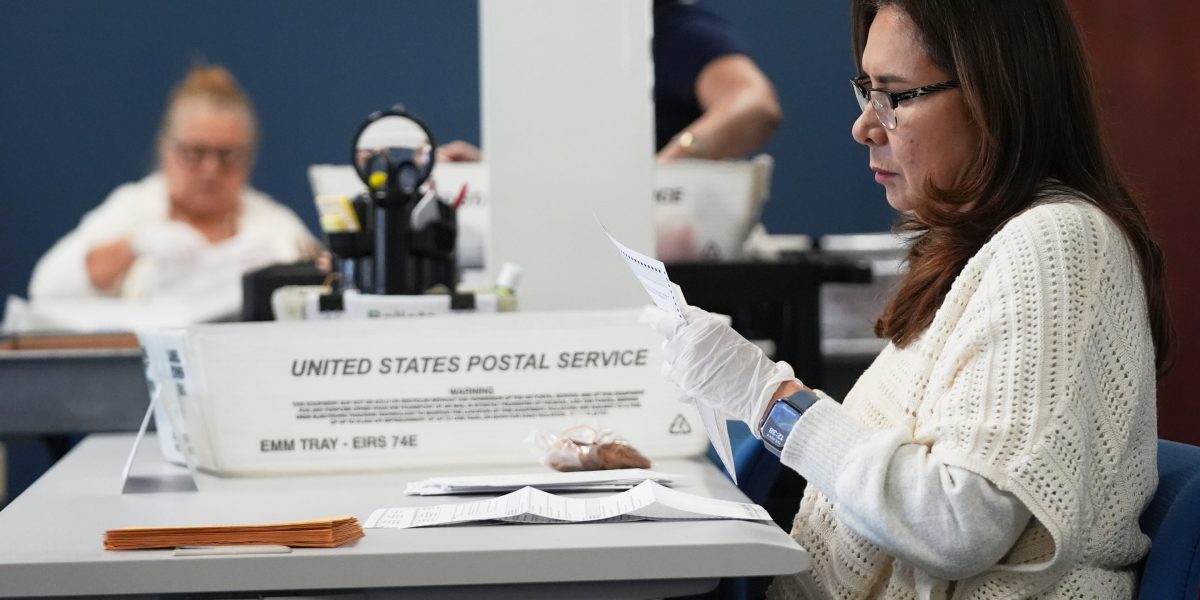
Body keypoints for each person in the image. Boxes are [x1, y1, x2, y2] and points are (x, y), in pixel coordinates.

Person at [643, 0, 1174, 597]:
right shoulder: (974, 250)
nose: (865, 126)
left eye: (894, 95)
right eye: (865, 90)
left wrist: (770, 401)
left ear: (995, 95)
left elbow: (956, 523)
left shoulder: (1059, 239)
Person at [28, 65, 319, 305]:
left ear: (250, 157)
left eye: (228, 155)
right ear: (165, 149)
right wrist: (131, 247)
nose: (210, 170)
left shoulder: (273, 225)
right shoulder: (133, 209)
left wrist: (283, 272)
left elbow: (323, 287)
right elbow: (46, 289)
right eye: (196, 153)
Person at [435, 1, 782, 164]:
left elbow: (754, 106)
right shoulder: (577, 47)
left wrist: (669, 165)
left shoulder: (684, 34)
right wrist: (494, 179)